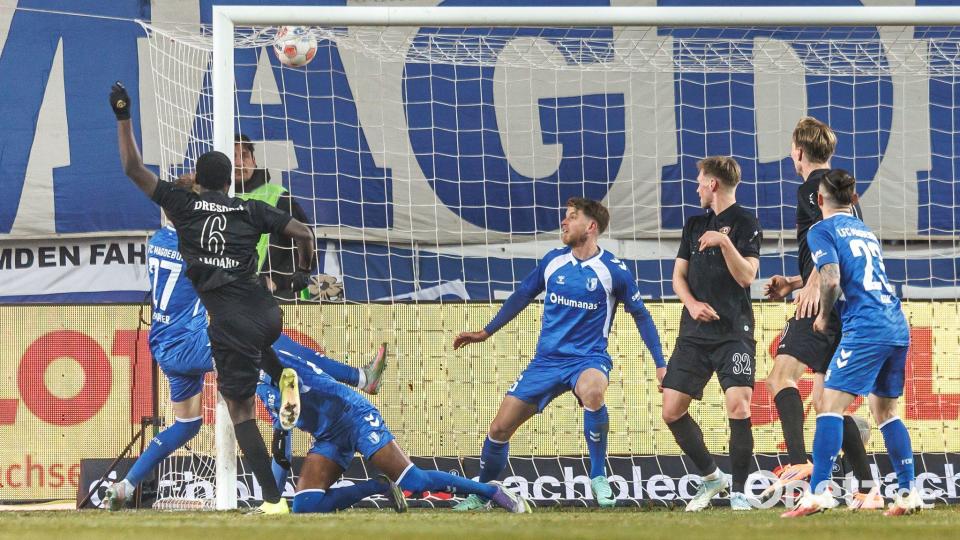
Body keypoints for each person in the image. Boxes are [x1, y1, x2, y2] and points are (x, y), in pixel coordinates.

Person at [103, 203, 387, 510]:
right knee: (270, 357)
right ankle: (273, 493)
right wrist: (293, 283)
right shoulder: (197, 248)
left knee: (187, 424)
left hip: (163, 344)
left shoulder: (157, 240)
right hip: (191, 342)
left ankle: (126, 485)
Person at [111, 81, 312, 513]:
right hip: (231, 323)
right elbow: (300, 231)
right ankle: (283, 384)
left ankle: (129, 487)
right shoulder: (240, 213)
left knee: (212, 416)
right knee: (251, 363)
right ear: (229, 182)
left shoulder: (167, 233)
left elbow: (133, 169)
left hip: (167, 343)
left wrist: (123, 115)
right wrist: (300, 275)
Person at [452, 197, 666, 510]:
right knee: (499, 428)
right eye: (565, 217)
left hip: (588, 359)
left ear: (590, 227)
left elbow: (642, 316)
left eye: (571, 217)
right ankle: (481, 493)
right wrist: (486, 331)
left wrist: (661, 364)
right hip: (547, 362)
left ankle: (597, 476)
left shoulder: (613, 271)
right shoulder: (553, 261)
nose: (563, 223)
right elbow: (523, 294)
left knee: (594, 390)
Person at [782, 169, 920, 517]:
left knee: (829, 404)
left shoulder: (820, 230)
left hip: (867, 326)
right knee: (886, 411)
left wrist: (825, 316)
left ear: (818, 200)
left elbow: (830, 279)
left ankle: (819, 492)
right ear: (854, 200)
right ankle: (908, 492)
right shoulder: (865, 231)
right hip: (896, 324)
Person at [762, 117, 878, 508]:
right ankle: (865, 488)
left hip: (823, 301)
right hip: (843, 302)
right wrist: (794, 282)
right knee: (828, 402)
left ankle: (799, 463)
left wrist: (810, 286)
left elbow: (827, 247)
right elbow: (841, 249)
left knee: (781, 376)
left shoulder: (812, 188)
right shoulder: (840, 192)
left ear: (798, 151)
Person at [257, 352, 531, 514]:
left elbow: (294, 384)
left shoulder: (276, 362)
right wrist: (272, 500)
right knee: (305, 506)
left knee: (414, 479)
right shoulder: (256, 388)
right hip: (327, 437)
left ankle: (491, 492)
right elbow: (283, 441)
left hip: (355, 417)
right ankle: (379, 485)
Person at [660, 156, 762, 512]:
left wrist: (724, 242)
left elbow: (748, 277)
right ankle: (711, 477)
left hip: (733, 330)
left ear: (714, 185)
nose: (697, 187)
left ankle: (738, 490)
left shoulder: (746, 223)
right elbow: (678, 277)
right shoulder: (693, 225)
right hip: (694, 331)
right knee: (671, 410)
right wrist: (690, 303)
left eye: (700, 181)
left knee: (739, 404)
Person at [233, 133, 315, 300]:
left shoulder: (278, 195)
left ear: (254, 161)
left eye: (245, 156)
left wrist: (279, 280)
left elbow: (307, 240)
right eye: (233, 156)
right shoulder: (214, 198)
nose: (239, 163)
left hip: (275, 300)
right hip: (231, 298)